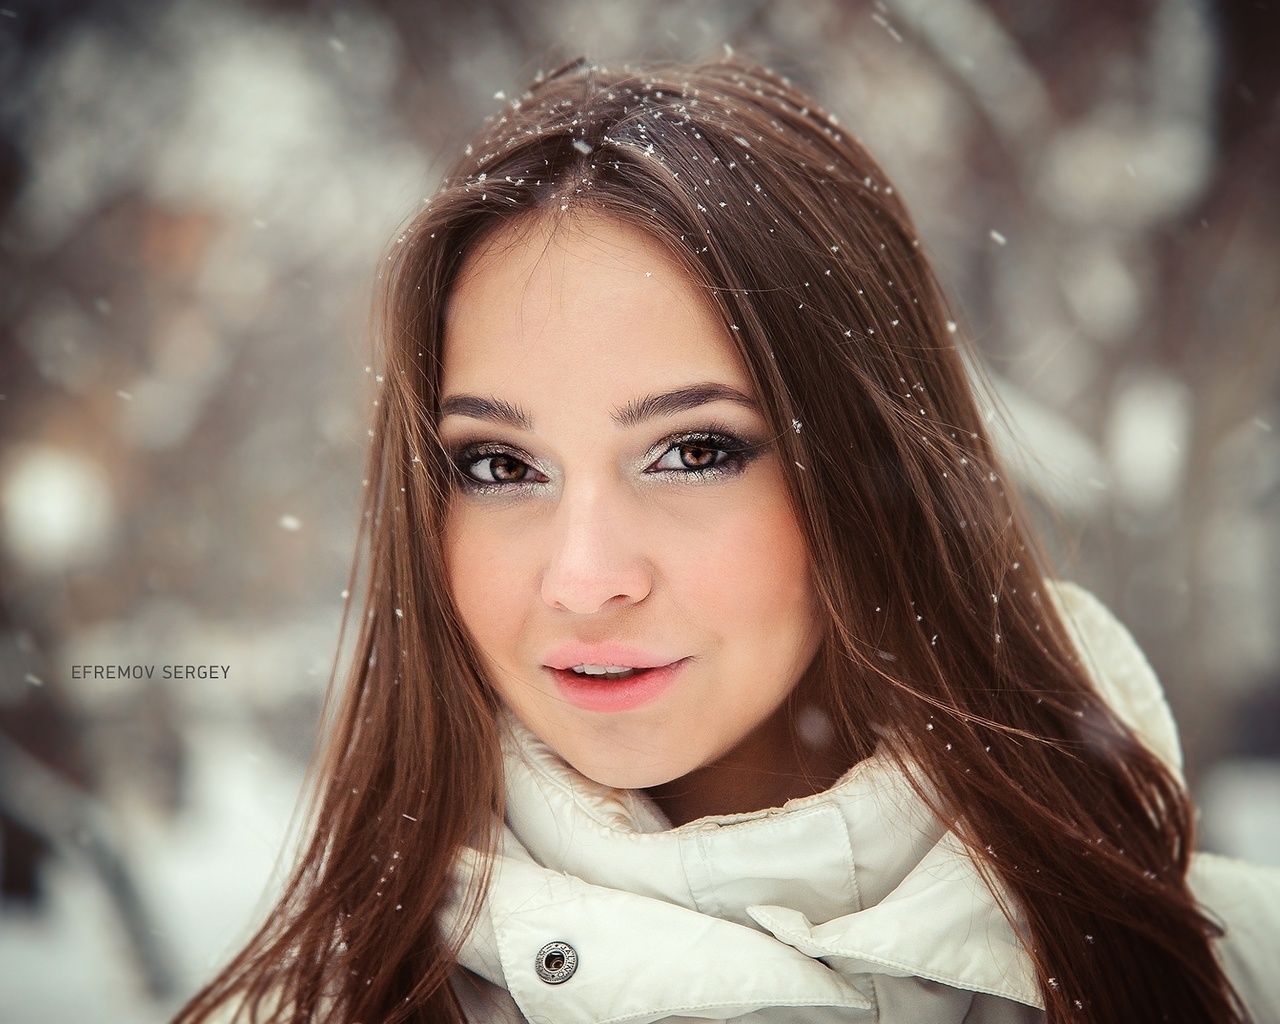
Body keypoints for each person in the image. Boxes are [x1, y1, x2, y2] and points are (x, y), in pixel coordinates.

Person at [173, 56, 1279, 1024]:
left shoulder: (1239, 973)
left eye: (692, 451)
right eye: (500, 466)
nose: (585, 576)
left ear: (869, 474)